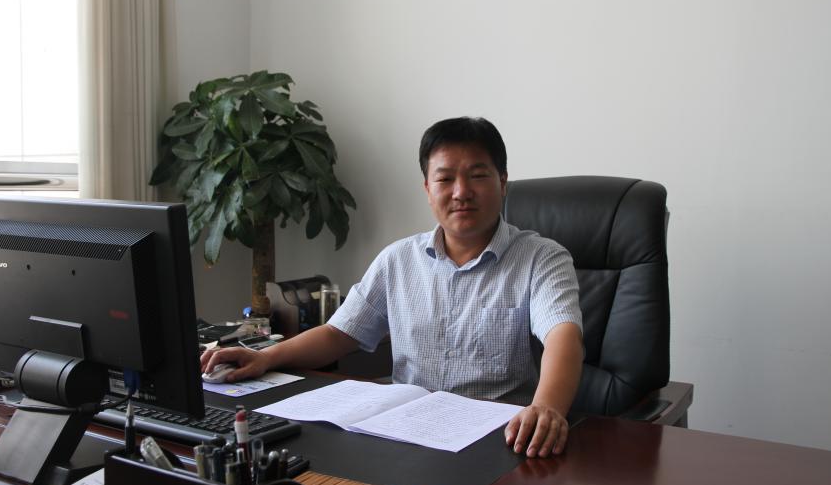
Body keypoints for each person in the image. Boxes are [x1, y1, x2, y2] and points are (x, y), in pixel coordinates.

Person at [202, 117, 584, 458]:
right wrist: (265, 357)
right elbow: (339, 333)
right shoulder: (398, 259)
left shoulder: (541, 258)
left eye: (478, 175)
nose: (461, 191)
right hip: (406, 437)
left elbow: (563, 336)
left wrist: (547, 408)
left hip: (496, 440)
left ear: (502, 183)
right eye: (445, 178)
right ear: (427, 188)